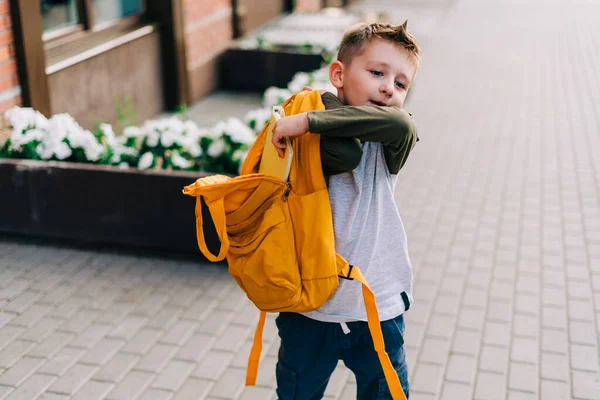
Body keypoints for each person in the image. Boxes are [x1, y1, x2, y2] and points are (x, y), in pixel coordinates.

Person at [270, 21, 421, 400]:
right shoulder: (315, 140)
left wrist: (306, 122)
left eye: (401, 84)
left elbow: (399, 122)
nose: (389, 87)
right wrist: (313, 118)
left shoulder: (392, 138)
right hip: (308, 306)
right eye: (376, 73)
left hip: (377, 306)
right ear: (338, 74)